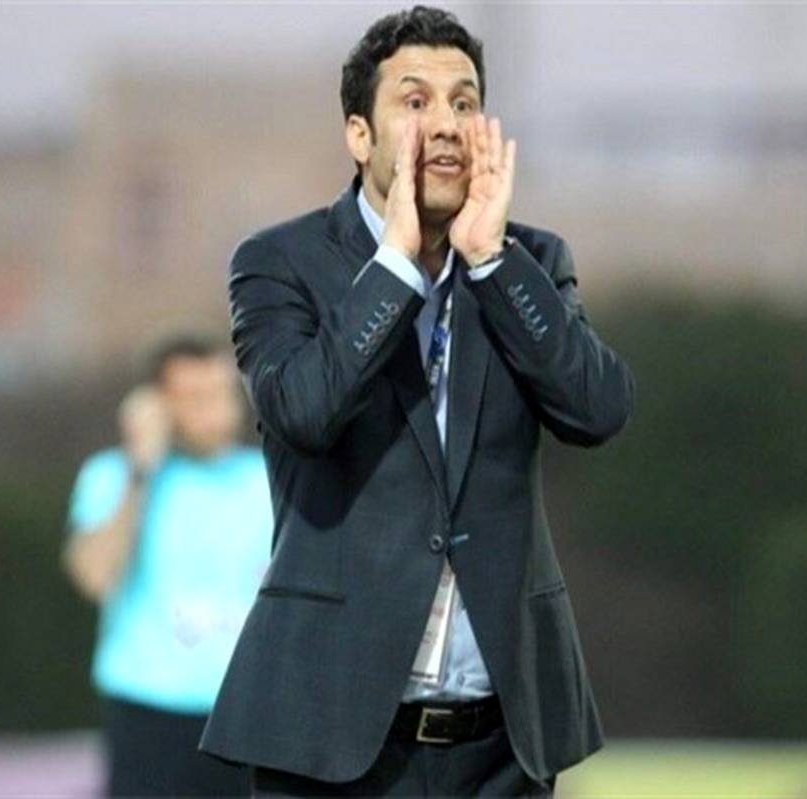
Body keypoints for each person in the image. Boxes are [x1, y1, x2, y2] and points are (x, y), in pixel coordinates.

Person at [198, 5, 636, 797]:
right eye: (415, 101)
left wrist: (492, 262)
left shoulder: (530, 260)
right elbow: (303, 412)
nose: (444, 125)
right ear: (359, 134)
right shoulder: (279, 262)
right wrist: (397, 265)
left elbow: (597, 408)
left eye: (464, 103)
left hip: (501, 743)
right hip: (331, 738)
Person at [62, 332, 273, 797]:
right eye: (196, 396)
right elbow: (95, 576)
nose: (215, 409)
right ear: (156, 404)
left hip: (247, 714)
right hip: (150, 713)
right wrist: (141, 468)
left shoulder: (268, 479)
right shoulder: (114, 476)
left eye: (221, 392)